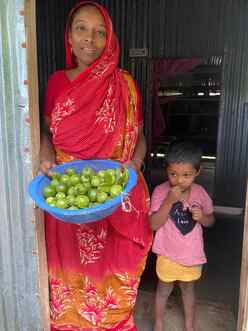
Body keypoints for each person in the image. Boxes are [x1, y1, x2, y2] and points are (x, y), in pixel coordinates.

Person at [39, 2, 152, 330]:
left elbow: (140, 135)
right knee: (71, 280)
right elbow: (47, 132)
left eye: (100, 32)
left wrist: (136, 163)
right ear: (69, 38)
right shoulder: (57, 82)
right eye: (82, 29)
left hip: (118, 195)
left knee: (119, 277)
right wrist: (46, 156)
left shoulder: (125, 84)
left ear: (110, 39)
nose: (91, 38)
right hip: (69, 202)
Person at [149, 140, 215, 331]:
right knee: (163, 290)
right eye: (173, 174)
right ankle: (159, 323)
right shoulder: (161, 192)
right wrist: (169, 201)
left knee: (188, 290)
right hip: (166, 253)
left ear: (197, 172)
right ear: (166, 170)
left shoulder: (200, 193)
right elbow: (153, 224)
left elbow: (211, 221)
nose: (179, 180)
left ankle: (189, 325)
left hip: (191, 255)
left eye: (186, 175)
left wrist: (202, 217)